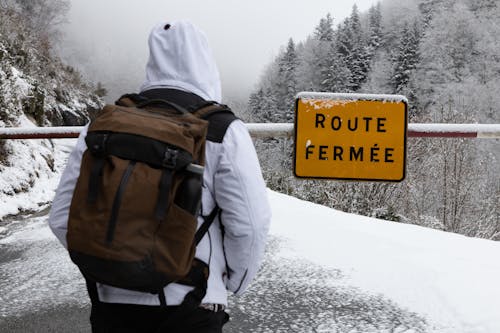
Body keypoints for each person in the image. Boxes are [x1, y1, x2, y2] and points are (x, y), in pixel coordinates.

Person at [48, 20, 271, 333]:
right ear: (206, 62)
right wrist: (231, 281)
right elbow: (249, 224)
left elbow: (62, 217)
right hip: (191, 302)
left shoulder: (104, 124)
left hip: (110, 303)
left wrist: (108, 262)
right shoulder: (222, 130)